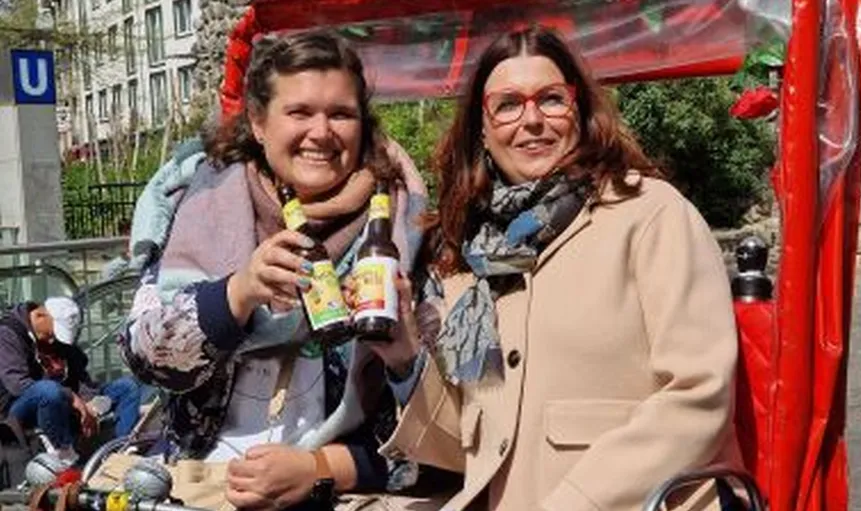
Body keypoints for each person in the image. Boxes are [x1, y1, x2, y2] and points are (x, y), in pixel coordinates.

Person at [365, 27, 744, 511]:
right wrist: (404, 357)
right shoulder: (470, 255)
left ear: (580, 111)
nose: (532, 120)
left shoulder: (649, 213)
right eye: (507, 104)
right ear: (482, 128)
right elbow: (471, 443)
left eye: (551, 99)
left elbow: (698, 395)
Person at [118, 31, 439, 510]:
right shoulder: (200, 204)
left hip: (339, 495)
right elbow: (147, 360)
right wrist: (237, 293)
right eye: (300, 112)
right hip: (199, 486)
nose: (322, 132)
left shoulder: (402, 226)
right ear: (259, 122)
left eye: (341, 114)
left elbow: (446, 437)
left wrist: (321, 466)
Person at [0, 297, 142, 464]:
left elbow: (79, 377)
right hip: (20, 406)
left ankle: (120, 450)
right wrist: (72, 397)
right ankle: (64, 453)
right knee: (48, 390)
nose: (53, 340)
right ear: (40, 315)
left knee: (127, 387)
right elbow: (17, 385)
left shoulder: (58, 341)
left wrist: (89, 404)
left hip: (63, 401)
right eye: (51, 334)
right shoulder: (7, 334)